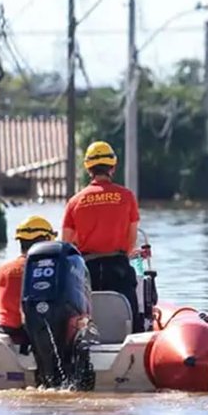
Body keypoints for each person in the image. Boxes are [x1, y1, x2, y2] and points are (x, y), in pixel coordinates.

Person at [62, 140, 144, 333]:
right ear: (113, 167)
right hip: (119, 268)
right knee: (133, 314)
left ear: (88, 169)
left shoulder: (75, 201)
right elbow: (131, 240)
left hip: (85, 270)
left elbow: (65, 244)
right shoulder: (127, 197)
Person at [0, 215, 57, 349]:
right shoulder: (56, 271)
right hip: (45, 333)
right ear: (48, 240)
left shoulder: (0, 271)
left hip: (9, 331)